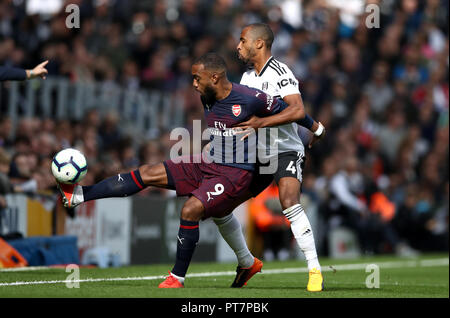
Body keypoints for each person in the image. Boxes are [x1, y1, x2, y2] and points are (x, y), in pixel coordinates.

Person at [57, 53, 322, 288]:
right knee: (148, 172)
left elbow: (292, 110)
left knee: (191, 209)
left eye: (198, 78)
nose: (194, 84)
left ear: (215, 77)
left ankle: (177, 278)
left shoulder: (250, 98)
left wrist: (313, 128)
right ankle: (79, 195)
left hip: (235, 173)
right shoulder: (206, 94)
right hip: (209, 161)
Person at [228, 23, 325, 291]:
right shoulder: (247, 79)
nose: (238, 45)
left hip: (285, 149)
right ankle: (247, 262)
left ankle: (314, 270)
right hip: (257, 152)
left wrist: (259, 124)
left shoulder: (281, 73)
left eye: (242, 40)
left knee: (289, 200)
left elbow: (296, 110)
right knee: (223, 203)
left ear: (259, 43)